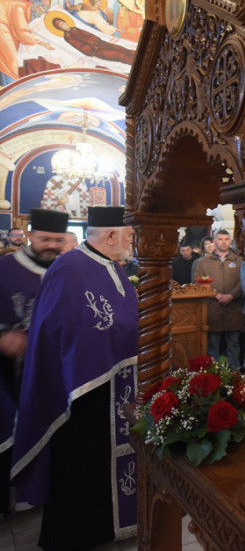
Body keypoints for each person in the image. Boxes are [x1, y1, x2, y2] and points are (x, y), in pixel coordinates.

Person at [12, 206, 137, 550]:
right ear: (110, 235)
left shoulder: (114, 267)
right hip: (79, 392)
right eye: (129, 236)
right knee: (80, 468)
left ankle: (107, 526)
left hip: (112, 389)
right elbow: (62, 331)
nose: (131, 242)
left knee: (102, 466)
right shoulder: (69, 268)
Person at [0, 208, 68, 516]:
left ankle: (46, 489)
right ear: (29, 235)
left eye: (57, 239)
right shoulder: (6, 269)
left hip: (59, 369)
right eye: (44, 239)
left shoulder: (68, 270)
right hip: (16, 371)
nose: (51, 245)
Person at [194, 230, 243, 369]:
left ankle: (235, 373)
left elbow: (244, 280)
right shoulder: (203, 262)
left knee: (234, 344)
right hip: (212, 309)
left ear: (230, 241)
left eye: (226, 239)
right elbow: (198, 281)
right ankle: (215, 374)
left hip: (234, 310)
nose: (223, 242)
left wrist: (232, 295)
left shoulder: (239, 260)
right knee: (213, 344)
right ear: (215, 241)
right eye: (220, 239)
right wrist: (215, 294)